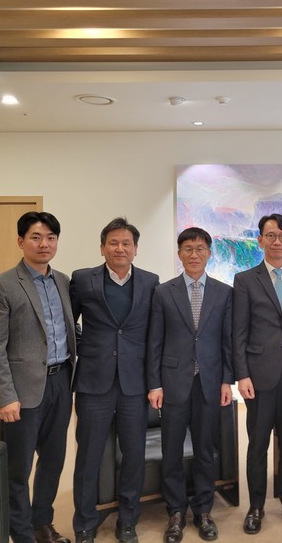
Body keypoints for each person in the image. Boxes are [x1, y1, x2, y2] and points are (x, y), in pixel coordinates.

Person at [0, 211, 77, 543]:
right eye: (36, 237)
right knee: (18, 468)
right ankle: (21, 534)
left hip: (61, 382)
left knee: (53, 460)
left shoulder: (63, 281)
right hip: (22, 390)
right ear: (21, 241)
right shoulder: (2, 284)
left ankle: (42, 524)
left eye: (50, 237)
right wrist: (4, 395)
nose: (44, 244)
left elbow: (66, 330)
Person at [70, 218, 159, 543]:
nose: (120, 248)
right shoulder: (83, 279)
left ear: (135, 249)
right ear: (102, 247)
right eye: (113, 243)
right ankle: (84, 522)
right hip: (94, 382)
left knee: (133, 454)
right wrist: (88, 349)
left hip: (134, 384)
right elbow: (68, 323)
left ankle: (128, 520)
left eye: (126, 243)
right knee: (89, 455)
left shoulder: (151, 282)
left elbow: (154, 335)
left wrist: (154, 381)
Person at [147, 227, 234, 543]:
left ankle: (204, 510)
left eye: (200, 249)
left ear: (209, 253)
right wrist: (155, 383)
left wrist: (227, 380)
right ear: (179, 253)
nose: (194, 254)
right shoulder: (163, 292)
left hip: (209, 382)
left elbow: (227, 341)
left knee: (205, 449)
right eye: (188, 248)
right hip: (173, 382)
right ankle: (175, 511)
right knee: (171, 449)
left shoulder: (224, 292)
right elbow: (154, 341)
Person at [232, 213, 282, 534]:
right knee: (258, 444)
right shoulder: (245, 279)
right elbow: (239, 332)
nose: (277, 241)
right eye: (270, 236)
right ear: (260, 241)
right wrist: (242, 375)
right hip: (258, 375)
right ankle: (255, 506)